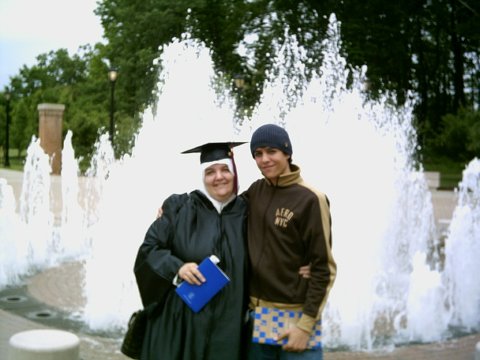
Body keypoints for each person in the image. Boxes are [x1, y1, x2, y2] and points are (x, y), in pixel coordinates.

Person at [133, 142, 249, 360]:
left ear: (234, 173)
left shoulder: (247, 213)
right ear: (201, 176)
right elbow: (150, 249)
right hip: (180, 326)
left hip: (228, 329)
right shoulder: (179, 208)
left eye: (225, 169)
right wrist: (178, 268)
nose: (219, 177)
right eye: (210, 172)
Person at [244, 124, 337, 360]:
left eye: (271, 151)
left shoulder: (311, 199)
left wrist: (305, 326)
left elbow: (324, 269)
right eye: (258, 154)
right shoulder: (255, 191)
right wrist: (175, 206)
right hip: (258, 315)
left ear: (287, 152)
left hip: (295, 317)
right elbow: (221, 208)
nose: (264, 159)